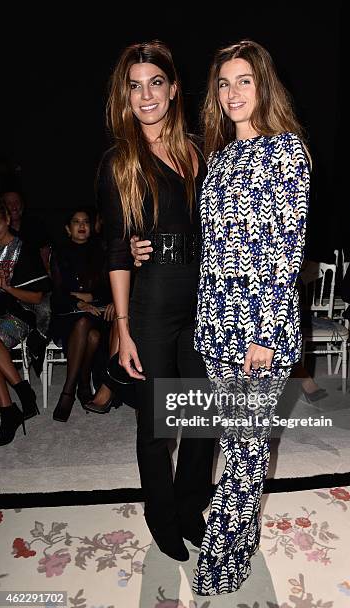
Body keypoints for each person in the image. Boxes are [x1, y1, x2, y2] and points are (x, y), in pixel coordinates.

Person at [132, 40, 310, 595]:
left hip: (259, 327)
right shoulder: (220, 157)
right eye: (224, 83)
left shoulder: (287, 153)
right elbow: (202, 236)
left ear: (264, 87)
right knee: (231, 445)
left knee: (246, 452)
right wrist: (144, 246)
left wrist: (267, 333)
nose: (233, 93)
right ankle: (235, 535)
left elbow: (288, 250)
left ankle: (225, 562)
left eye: (244, 82)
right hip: (213, 322)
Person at [97, 41, 216, 563]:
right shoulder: (120, 161)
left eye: (155, 82)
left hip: (206, 297)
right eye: (134, 85)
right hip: (152, 302)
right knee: (158, 423)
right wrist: (122, 327)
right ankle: (161, 516)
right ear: (126, 95)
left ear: (172, 88)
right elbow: (118, 249)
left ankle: (192, 509)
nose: (146, 95)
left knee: (204, 417)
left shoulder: (200, 149)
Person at [50, 208, 115, 421]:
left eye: (86, 221)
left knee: (91, 326)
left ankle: (69, 390)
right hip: (68, 312)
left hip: (99, 311)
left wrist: (89, 296)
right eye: (76, 222)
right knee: (88, 331)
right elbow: (58, 292)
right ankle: (80, 383)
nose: (81, 226)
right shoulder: (59, 252)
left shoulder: (101, 251)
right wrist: (78, 302)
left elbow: (110, 287)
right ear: (68, 229)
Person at [0, 200, 51, 446]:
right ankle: (12, 408)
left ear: (7, 219)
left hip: (20, 316)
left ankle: (14, 404)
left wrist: (8, 288)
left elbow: (37, 297)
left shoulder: (23, 249)